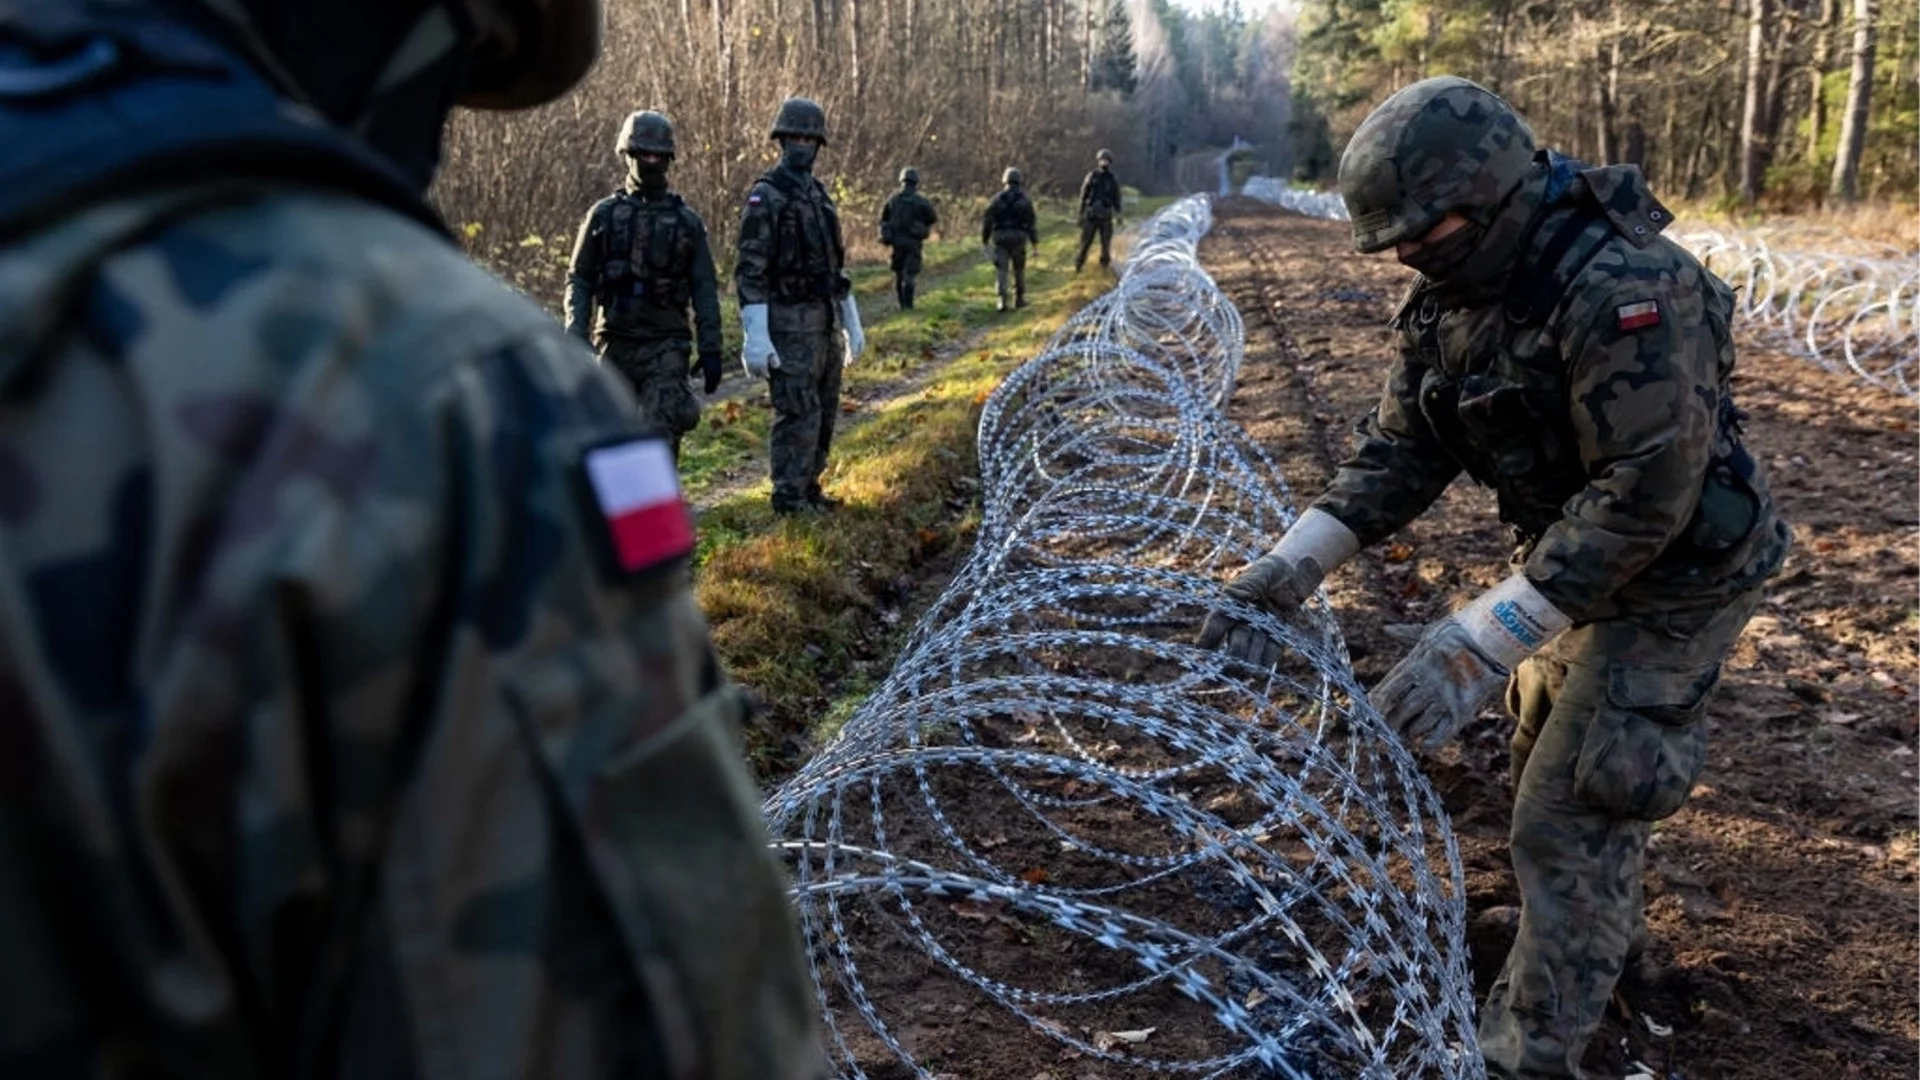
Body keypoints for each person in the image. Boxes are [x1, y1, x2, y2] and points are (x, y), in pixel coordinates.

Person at [0, 2, 823, 1077]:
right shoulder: (447, 392)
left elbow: (708, 285)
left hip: (660, 351)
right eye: (457, 76)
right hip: (615, 353)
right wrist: (571, 347)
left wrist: (719, 341)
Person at [1196, 75, 1789, 1078]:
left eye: (1432, 232)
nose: (1413, 257)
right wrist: (1286, 570)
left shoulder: (1628, 289)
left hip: (1677, 580)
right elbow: (1400, 451)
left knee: (1572, 806)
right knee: (1543, 756)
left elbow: (1649, 490)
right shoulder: (1458, 301)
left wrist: (1482, 638)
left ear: (1500, 191)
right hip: (1572, 569)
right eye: (1399, 245)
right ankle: (1598, 949)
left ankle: (1522, 1056)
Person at [566, 108, 725, 465]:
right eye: (643, 154)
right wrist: (575, 334)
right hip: (614, 343)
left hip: (666, 346)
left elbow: (704, 287)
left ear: (668, 159)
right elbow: (580, 278)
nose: (650, 162)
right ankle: (609, 518)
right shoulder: (602, 216)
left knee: (658, 437)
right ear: (628, 155)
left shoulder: (687, 223)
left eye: (657, 155)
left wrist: (712, 347)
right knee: (608, 440)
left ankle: (654, 517)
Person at [734, 96, 865, 516]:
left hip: (823, 319)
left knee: (824, 410)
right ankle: (788, 497)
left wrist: (850, 320)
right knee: (797, 411)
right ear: (781, 140)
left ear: (818, 143)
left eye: (809, 137)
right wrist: (755, 333)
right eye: (794, 136)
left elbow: (834, 265)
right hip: (788, 324)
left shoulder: (818, 196)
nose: (801, 144)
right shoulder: (766, 197)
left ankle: (809, 486)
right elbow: (749, 270)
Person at [879, 166, 939, 310]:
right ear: (915, 182)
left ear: (902, 180)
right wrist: (920, 226)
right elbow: (933, 217)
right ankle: (909, 305)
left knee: (899, 272)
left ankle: (902, 304)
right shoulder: (920, 201)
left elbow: (883, 219)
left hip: (897, 242)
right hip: (913, 242)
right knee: (910, 273)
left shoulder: (893, 200)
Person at [981, 167, 1039, 312]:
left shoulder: (996, 199)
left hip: (1000, 238)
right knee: (1018, 269)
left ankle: (1002, 300)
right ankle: (1019, 299)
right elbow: (1031, 223)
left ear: (1004, 180)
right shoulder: (1025, 200)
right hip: (1018, 237)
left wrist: (985, 240)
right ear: (1019, 181)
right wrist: (1034, 243)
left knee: (1002, 269)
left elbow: (987, 221)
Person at [1075, 148, 1123, 273]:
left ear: (1110, 162)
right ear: (1098, 161)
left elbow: (1117, 198)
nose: (1104, 162)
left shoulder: (1112, 179)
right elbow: (1083, 195)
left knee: (1105, 247)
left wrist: (1119, 215)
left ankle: (1103, 269)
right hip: (1091, 216)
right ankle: (1078, 268)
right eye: (1102, 160)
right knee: (1085, 244)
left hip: (1106, 217)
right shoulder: (1091, 176)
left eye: (1106, 160)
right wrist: (1080, 214)